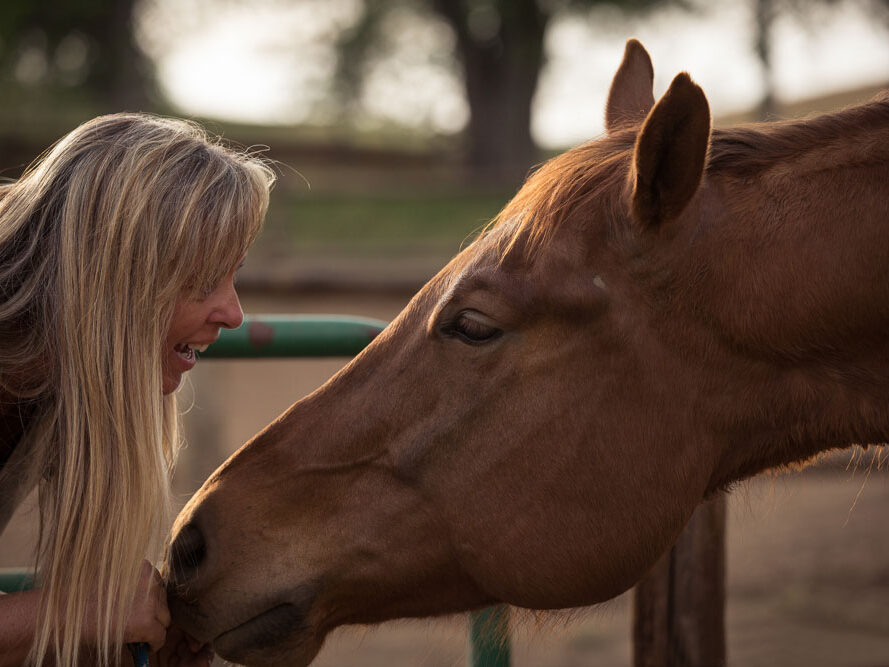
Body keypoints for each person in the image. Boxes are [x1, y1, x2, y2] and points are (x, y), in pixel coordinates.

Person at [0, 113, 275, 665]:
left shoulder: (49, 373)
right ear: (113, 281)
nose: (233, 313)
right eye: (201, 280)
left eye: (234, 273)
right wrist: (71, 615)